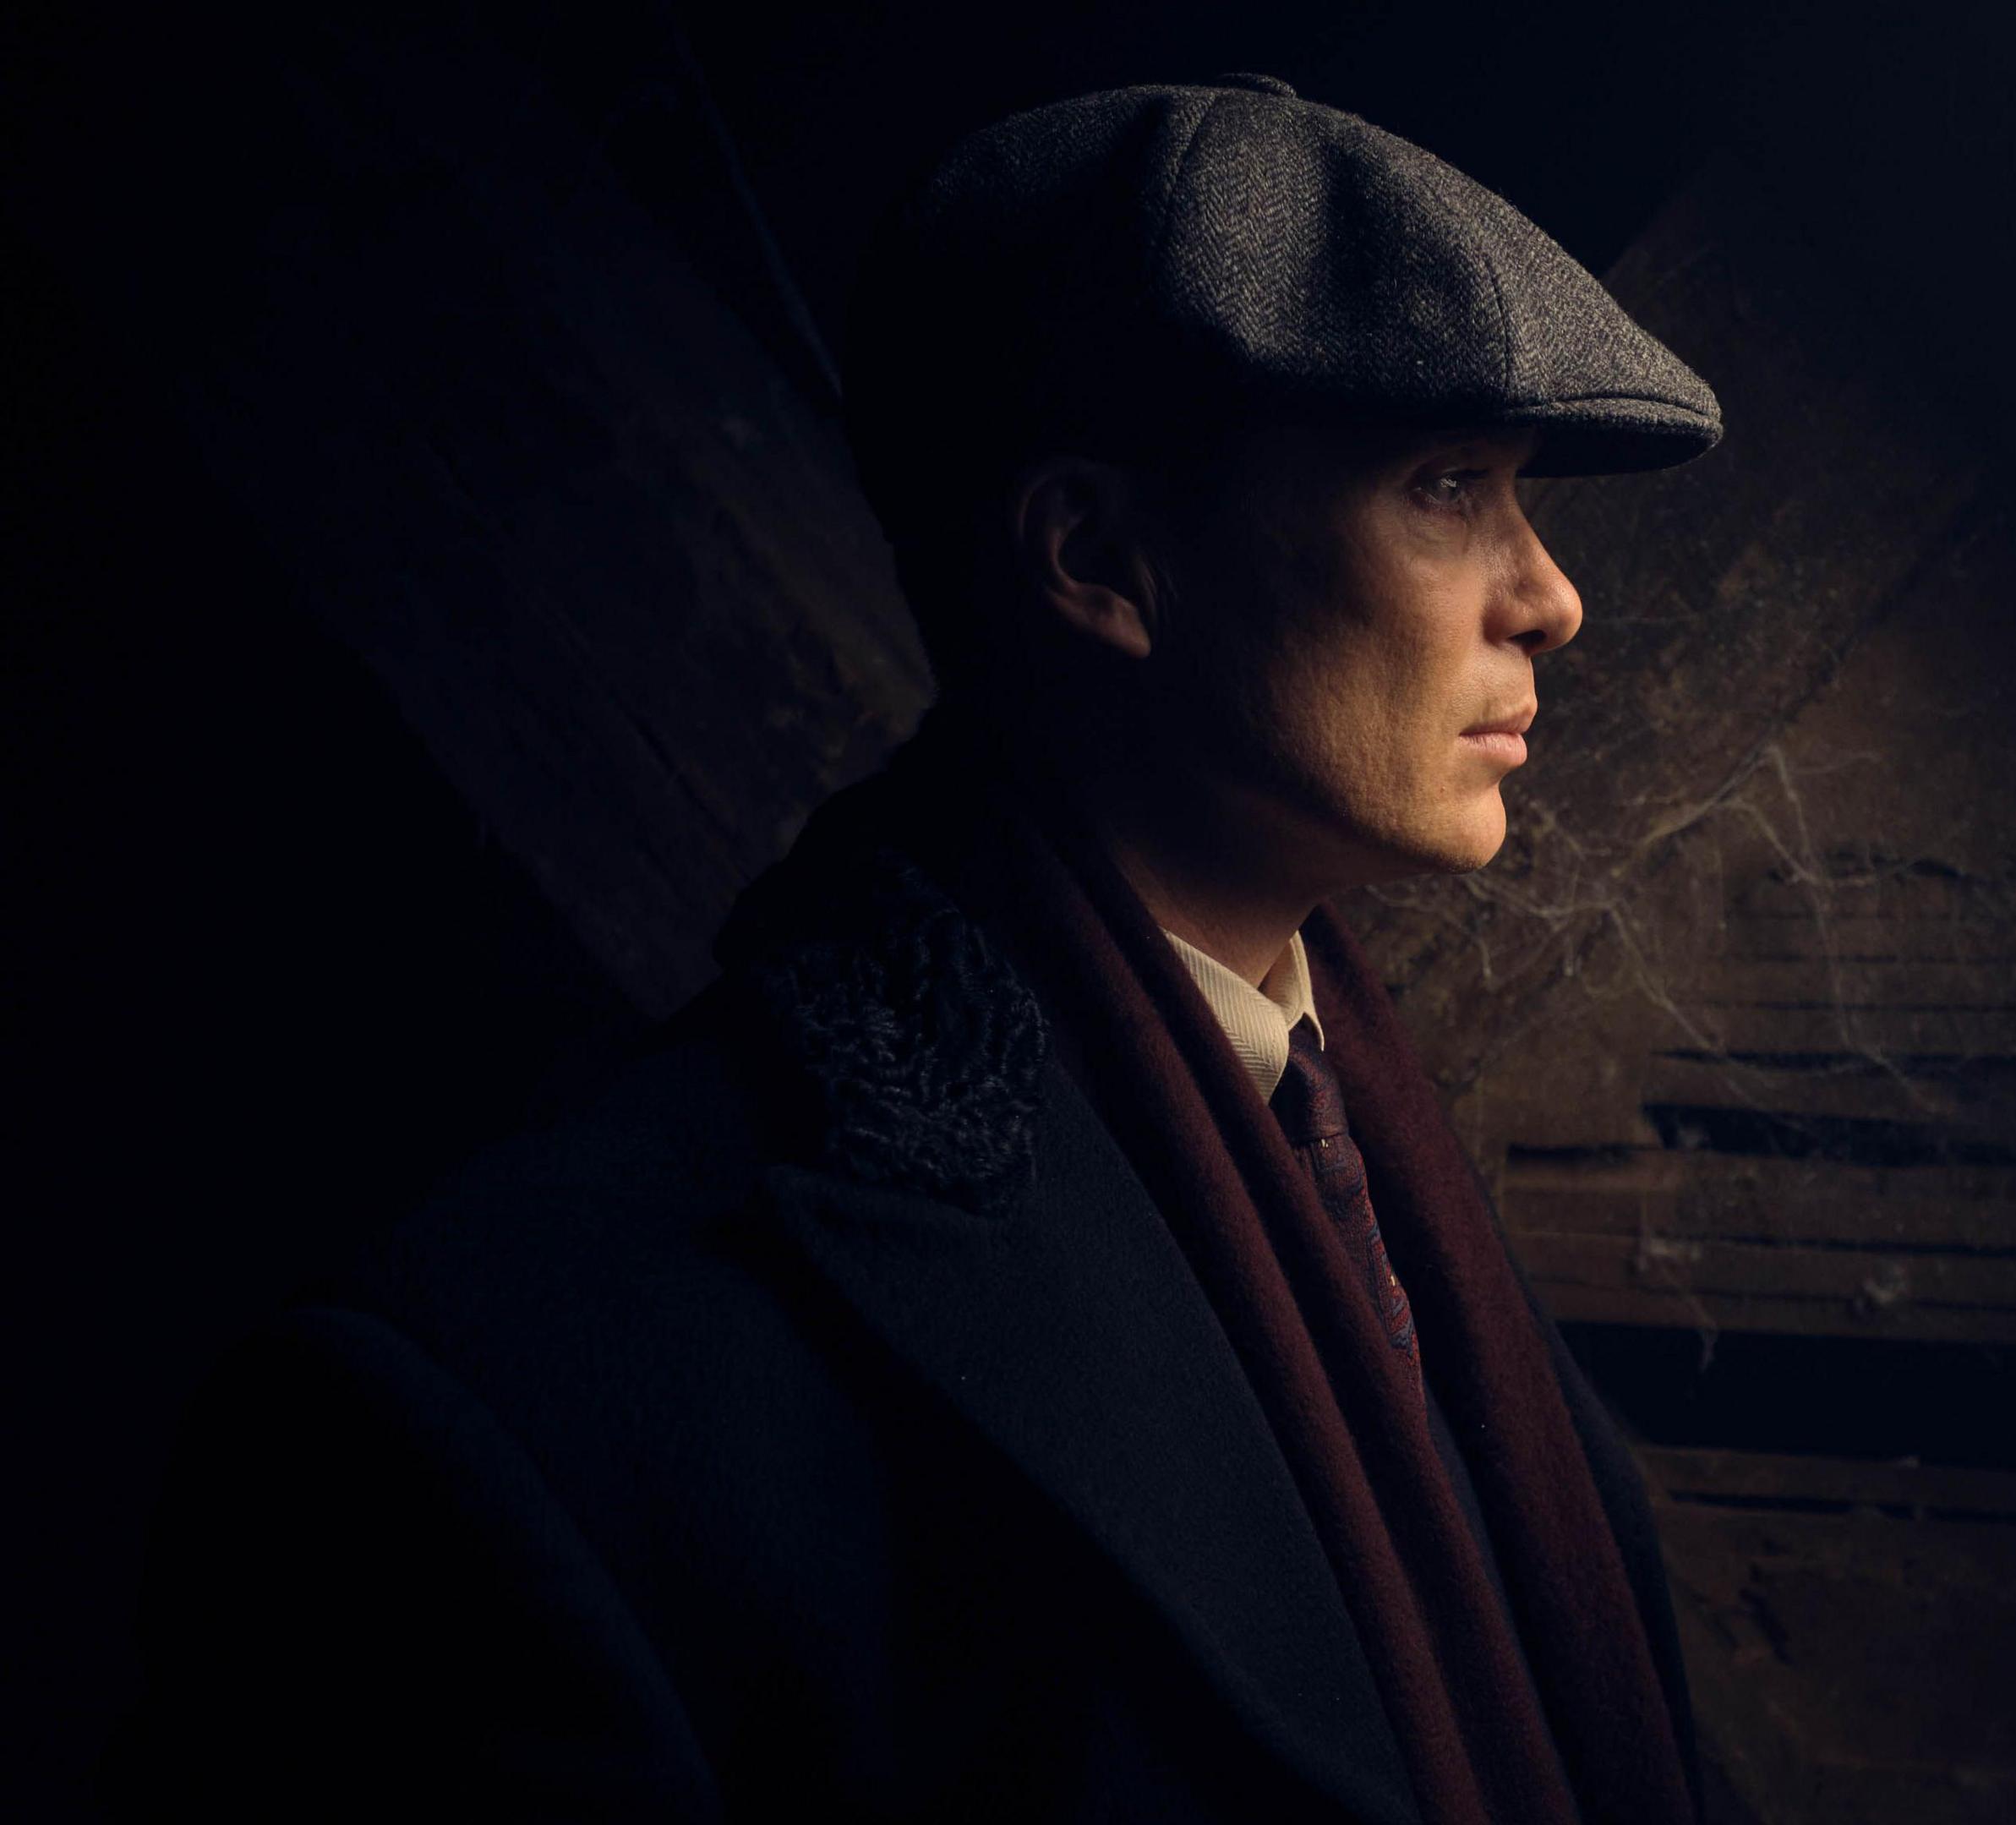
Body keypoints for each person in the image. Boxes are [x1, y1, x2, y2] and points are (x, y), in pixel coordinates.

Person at [117, 74, 1723, 1822]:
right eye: (1447, 483)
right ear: (1099, 558)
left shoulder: (1365, 1169)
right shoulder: (525, 1381)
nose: (1549, 591)